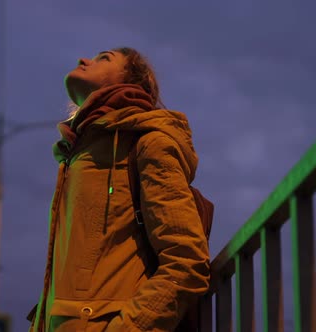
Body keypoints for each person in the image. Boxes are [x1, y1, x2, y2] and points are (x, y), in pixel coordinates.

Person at [27, 47, 210, 331]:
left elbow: (186, 262)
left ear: (131, 81)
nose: (83, 59)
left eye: (104, 58)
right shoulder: (77, 155)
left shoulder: (148, 142)